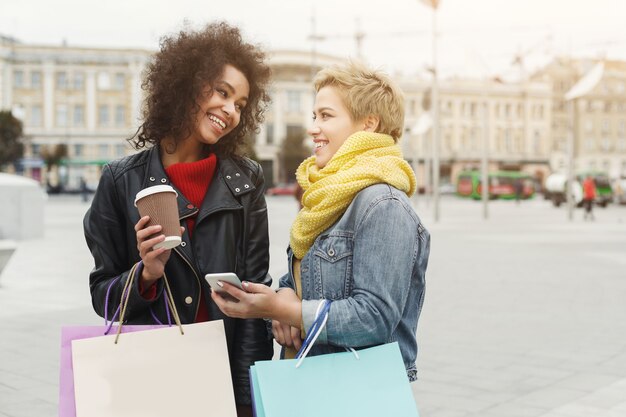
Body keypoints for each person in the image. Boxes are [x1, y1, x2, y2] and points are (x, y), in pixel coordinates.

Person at [83, 22, 272, 416]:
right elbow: (103, 294)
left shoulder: (246, 179)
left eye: (239, 104)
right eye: (222, 92)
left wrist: (248, 400)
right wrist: (146, 274)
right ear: (188, 83)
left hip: (223, 381)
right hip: (151, 380)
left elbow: (254, 302)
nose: (230, 111)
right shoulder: (120, 181)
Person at [211, 62, 430, 382]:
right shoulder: (329, 197)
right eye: (314, 116)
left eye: (326, 116)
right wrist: (284, 295)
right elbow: (309, 280)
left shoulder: (383, 204)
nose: (313, 127)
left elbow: (374, 318)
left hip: (358, 390)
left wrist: (281, 311)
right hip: (316, 381)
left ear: (368, 124)